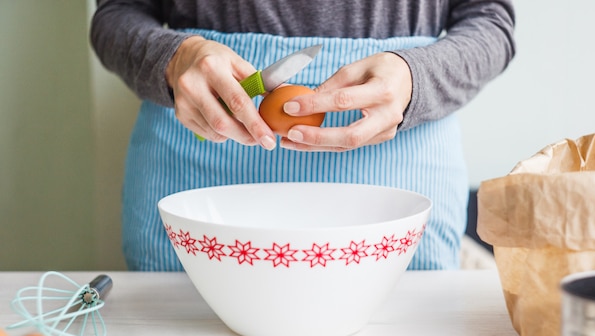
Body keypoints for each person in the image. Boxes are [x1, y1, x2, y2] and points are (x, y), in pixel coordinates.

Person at [90, 0, 515, 271]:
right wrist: (174, 58)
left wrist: (415, 78)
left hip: (392, 170)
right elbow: (116, 14)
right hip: (198, 172)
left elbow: (490, 20)